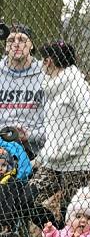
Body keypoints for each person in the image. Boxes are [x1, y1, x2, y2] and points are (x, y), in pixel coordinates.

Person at [31, 41, 90, 224]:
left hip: (76, 165)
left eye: (44, 58)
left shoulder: (76, 84)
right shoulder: (51, 87)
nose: (41, 62)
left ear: (50, 61)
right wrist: (43, 157)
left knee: (71, 218)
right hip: (53, 163)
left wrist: (66, 150)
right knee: (27, 199)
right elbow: (55, 130)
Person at [0, 24, 46, 157]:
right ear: (6, 46)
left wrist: (29, 135)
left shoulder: (44, 74)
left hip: (35, 149)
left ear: (31, 45)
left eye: (21, 40)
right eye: (11, 40)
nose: (16, 44)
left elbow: (56, 123)